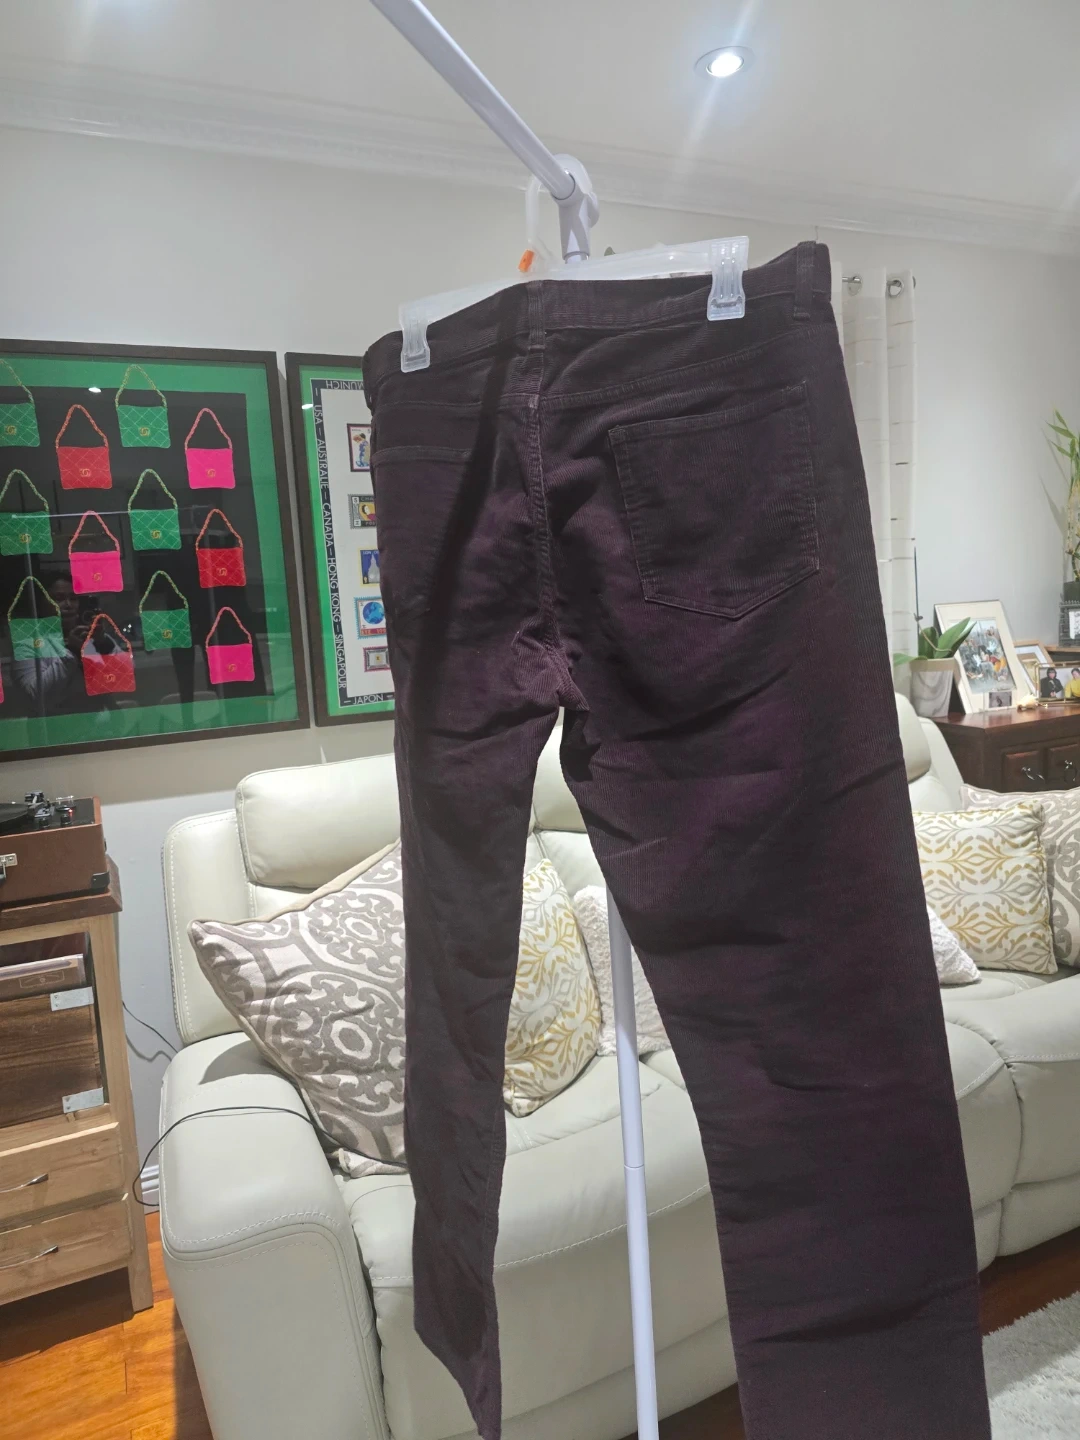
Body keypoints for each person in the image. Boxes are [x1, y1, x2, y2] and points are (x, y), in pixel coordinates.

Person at [12, 574, 116, 712]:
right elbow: (35, 695)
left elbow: (123, 677)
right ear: (41, 604)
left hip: (104, 722)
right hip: (57, 724)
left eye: (73, 598)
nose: (68, 605)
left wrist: (102, 643)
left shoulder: (92, 636)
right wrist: (72, 651)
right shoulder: (27, 644)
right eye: (59, 599)